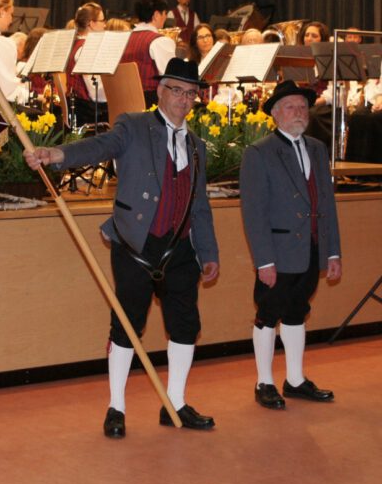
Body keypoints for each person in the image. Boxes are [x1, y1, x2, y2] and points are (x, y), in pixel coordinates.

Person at [25, 58, 220, 437]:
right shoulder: (134, 126)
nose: (183, 99)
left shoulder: (197, 146)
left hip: (180, 249)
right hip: (135, 243)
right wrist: (54, 155)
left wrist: (208, 252)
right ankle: (116, 406)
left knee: (185, 324)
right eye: (176, 90)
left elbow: (200, 204)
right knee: (127, 324)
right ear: (160, 91)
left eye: (190, 93)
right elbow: (100, 146)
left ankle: (175, 404)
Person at [239, 80, 341, 410]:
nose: (299, 112)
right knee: (269, 314)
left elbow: (327, 203)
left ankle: (295, 379)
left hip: (310, 248)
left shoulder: (317, 148)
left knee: (298, 312)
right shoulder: (259, 153)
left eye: (302, 107)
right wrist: (264, 261)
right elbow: (253, 212)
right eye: (291, 107)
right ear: (275, 114)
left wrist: (332, 250)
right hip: (278, 253)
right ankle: (264, 382)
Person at [124, 0, 178, 106]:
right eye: (164, 13)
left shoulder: (123, 39)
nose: (165, 17)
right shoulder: (160, 41)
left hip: (124, 108)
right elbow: (172, 79)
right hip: (149, 107)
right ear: (157, 15)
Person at [64, 2, 108, 125]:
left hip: (78, 108)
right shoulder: (87, 48)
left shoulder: (75, 44)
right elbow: (96, 93)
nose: (105, 25)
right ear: (92, 24)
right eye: (102, 20)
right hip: (87, 112)